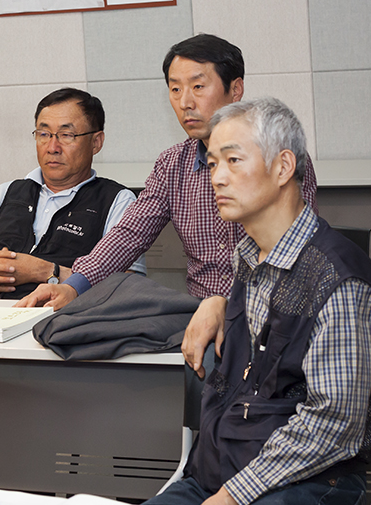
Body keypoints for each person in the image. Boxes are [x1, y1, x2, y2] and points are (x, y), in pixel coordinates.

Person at [144, 97, 371, 505]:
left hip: (306, 485)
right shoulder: (248, 261)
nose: (217, 177)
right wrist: (216, 300)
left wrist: (233, 498)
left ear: (283, 167)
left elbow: (334, 424)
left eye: (233, 160)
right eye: (212, 164)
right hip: (218, 475)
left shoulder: (340, 280)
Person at [17, 34, 319, 378]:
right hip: (199, 324)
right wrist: (73, 286)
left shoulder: (276, 159)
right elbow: (129, 234)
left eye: (198, 87)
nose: (185, 102)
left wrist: (228, 305)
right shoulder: (173, 164)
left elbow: (295, 257)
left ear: (235, 89)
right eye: (175, 89)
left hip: (272, 324)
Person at [0, 88, 144, 297]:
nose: (52, 147)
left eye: (66, 135)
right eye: (44, 134)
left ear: (96, 142)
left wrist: (46, 272)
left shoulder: (118, 201)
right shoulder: (6, 193)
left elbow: (126, 287)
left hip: (61, 315)